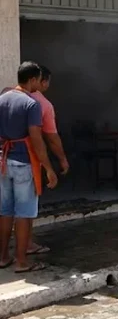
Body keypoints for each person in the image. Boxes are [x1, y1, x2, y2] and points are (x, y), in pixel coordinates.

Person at [0, 62, 59, 273]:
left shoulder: (2, 98)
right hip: (24, 164)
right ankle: (22, 262)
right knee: (24, 214)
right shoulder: (31, 104)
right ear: (32, 80)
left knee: (5, 212)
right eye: (38, 80)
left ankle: (3, 257)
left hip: (3, 162)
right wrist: (48, 168)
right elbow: (36, 139)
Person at [28, 65, 69, 257]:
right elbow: (50, 138)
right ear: (39, 81)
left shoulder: (6, 95)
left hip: (5, 159)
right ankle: (26, 247)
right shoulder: (41, 104)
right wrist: (60, 161)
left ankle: (4, 254)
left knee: (7, 208)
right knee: (26, 207)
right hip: (27, 160)